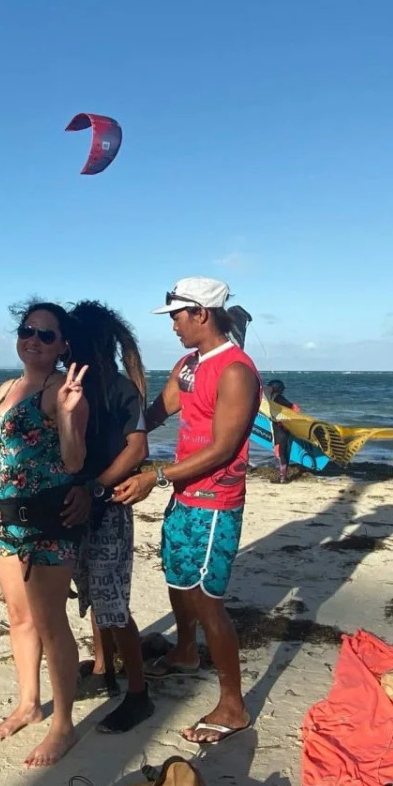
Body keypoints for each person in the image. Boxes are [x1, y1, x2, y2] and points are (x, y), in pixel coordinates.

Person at [114, 276, 262, 746]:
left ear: (201, 313)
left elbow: (222, 449)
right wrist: (115, 429)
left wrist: (155, 477)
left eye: (178, 316)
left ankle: (233, 705)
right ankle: (184, 652)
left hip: (215, 501)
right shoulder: (188, 365)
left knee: (207, 601)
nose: (173, 325)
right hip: (185, 495)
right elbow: (155, 412)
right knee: (178, 579)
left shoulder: (236, 370)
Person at [0, 302, 89, 768]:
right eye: (27, 330)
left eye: (46, 335)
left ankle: (63, 725)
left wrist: (66, 415)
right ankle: (28, 705)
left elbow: (74, 461)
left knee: (50, 622)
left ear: (62, 346)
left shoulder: (64, 388)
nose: (33, 340)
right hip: (3, 518)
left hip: (46, 522)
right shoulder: (5, 387)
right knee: (19, 617)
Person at [63, 300, 155, 734]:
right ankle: (103, 669)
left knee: (113, 602)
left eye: (69, 341)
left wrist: (94, 487)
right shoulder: (65, 385)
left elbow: (137, 449)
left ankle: (139, 693)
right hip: (73, 505)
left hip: (108, 506)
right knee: (91, 593)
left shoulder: (120, 389)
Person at [265, 379, 296, 484]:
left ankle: (283, 478)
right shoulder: (274, 398)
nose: (268, 389)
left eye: (270, 387)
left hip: (281, 430)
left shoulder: (278, 398)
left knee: (280, 453)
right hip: (280, 429)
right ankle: (282, 477)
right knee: (282, 452)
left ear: (275, 388)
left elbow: (292, 407)